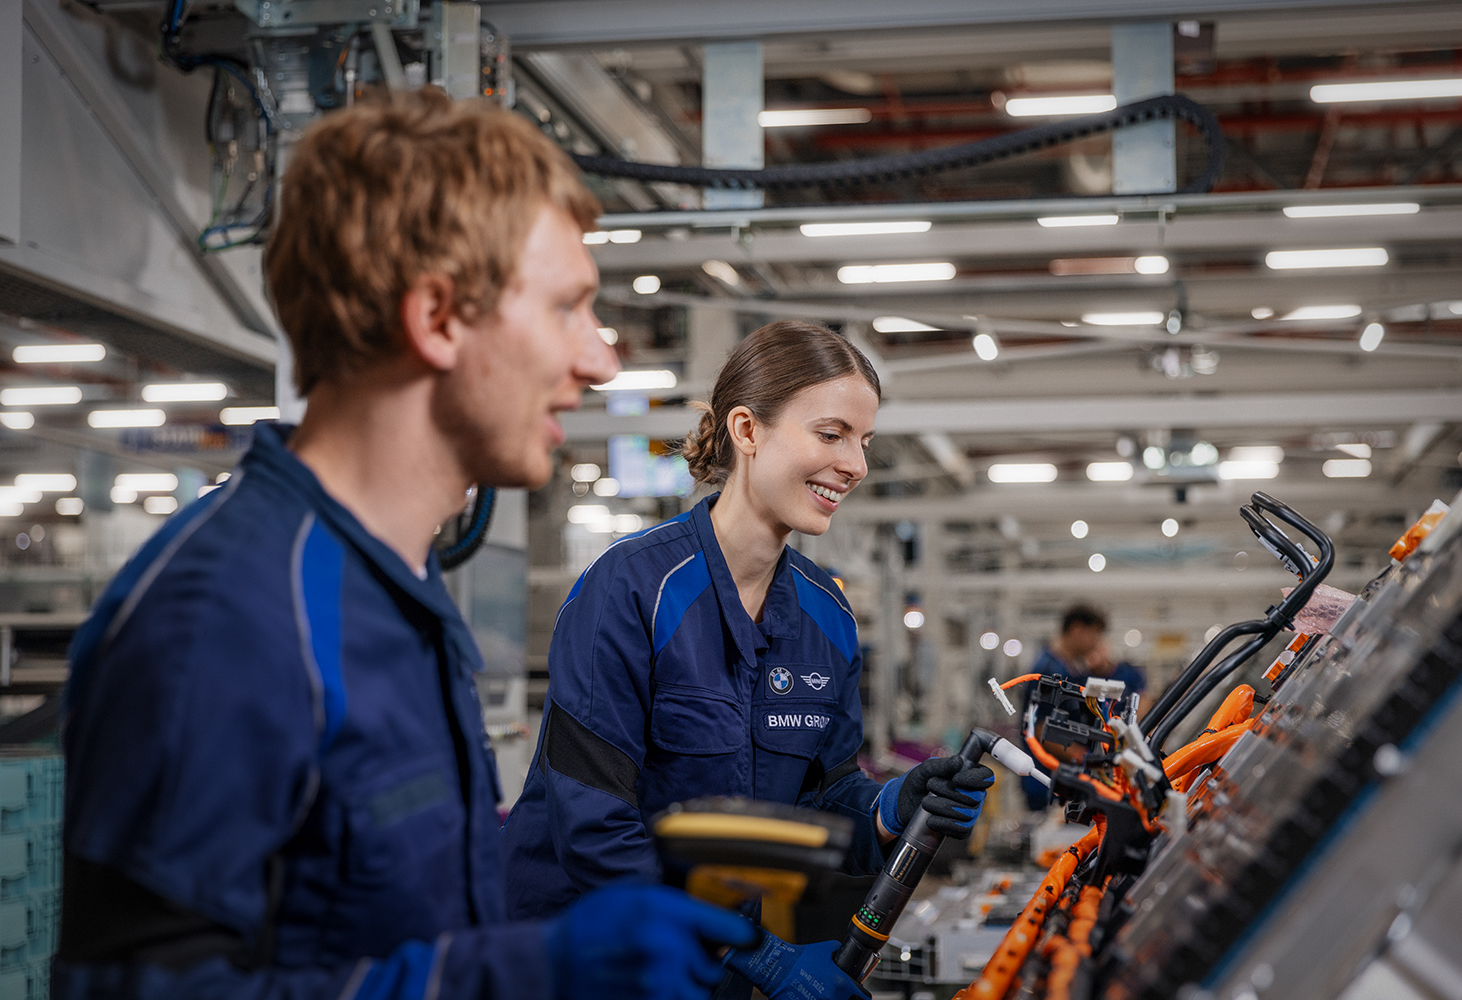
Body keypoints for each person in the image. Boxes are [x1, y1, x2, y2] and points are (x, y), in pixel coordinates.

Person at [53, 89, 758, 1000]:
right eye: (566, 308)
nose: (601, 361)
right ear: (436, 320)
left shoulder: (400, 591)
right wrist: (525, 971)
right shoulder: (227, 617)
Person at [500, 321, 996, 998]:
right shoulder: (632, 590)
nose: (856, 464)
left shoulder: (828, 616)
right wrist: (759, 956)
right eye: (832, 434)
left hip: (713, 973)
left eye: (864, 441)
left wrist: (889, 806)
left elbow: (818, 805)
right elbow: (594, 831)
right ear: (747, 430)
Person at [1020, 604, 1147, 809]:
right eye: (1094, 636)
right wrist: (1090, 760)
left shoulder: (1070, 670)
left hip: (1066, 779)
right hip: (1048, 782)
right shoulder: (1048, 670)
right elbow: (1042, 729)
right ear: (1077, 629)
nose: (1095, 643)